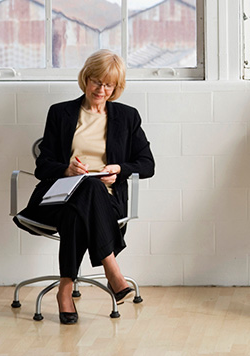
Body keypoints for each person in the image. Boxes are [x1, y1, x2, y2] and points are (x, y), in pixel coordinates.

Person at [13, 50, 155, 325]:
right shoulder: (61, 113)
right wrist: (66, 169)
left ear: (116, 87)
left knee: (83, 201)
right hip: (56, 197)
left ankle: (65, 290)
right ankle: (112, 268)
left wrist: (119, 170)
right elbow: (43, 166)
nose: (101, 89)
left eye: (108, 84)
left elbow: (147, 164)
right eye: (96, 81)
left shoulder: (127, 117)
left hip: (105, 201)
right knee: (83, 191)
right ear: (85, 79)